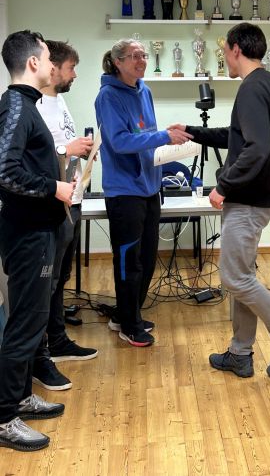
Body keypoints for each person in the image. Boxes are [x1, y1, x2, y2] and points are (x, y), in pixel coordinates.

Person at [170, 22, 270, 378]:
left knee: (235, 279)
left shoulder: (251, 89)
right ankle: (239, 353)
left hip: (247, 199)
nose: (224, 59)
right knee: (243, 276)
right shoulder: (267, 84)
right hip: (258, 196)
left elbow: (256, 149)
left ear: (235, 49)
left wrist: (224, 186)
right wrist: (194, 132)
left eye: (224, 53)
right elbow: (238, 137)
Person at [0, 30, 74, 451]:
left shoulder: (27, 106)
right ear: (32, 63)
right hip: (26, 235)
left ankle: (21, 397)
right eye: (47, 58)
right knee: (25, 325)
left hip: (38, 230)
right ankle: (4, 417)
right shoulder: (15, 106)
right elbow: (4, 172)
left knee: (31, 321)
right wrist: (53, 188)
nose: (52, 66)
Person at [94, 39, 191, 348]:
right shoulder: (108, 96)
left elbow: (147, 136)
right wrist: (163, 136)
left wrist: (166, 140)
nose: (142, 60)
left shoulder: (144, 90)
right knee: (129, 262)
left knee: (148, 259)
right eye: (134, 56)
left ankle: (127, 315)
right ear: (118, 62)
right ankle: (130, 325)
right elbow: (120, 141)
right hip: (124, 192)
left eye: (144, 55)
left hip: (150, 187)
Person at [32, 40, 98, 392]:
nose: (74, 75)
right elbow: (33, 155)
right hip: (51, 202)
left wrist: (82, 152)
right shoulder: (34, 105)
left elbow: (64, 146)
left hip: (72, 198)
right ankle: (40, 354)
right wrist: (65, 149)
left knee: (60, 278)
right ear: (53, 67)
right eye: (70, 68)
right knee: (47, 281)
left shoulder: (59, 100)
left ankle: (56, 341)